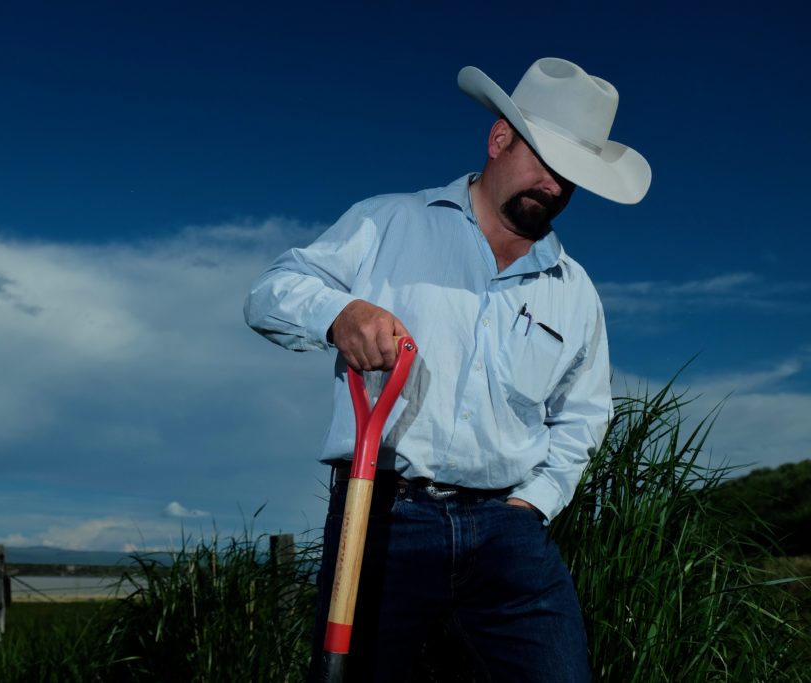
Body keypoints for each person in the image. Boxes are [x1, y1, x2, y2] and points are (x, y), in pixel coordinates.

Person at [244, 57, 650, 682]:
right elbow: (269, 294)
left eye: (571, 176)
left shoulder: (575, 290)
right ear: (498, 139)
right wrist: (338, 312)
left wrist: (532, 504)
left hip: (510, 536)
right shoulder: (388, 222)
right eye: (544, 160)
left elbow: (585, 413)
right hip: (381, 517)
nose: (554, 185)